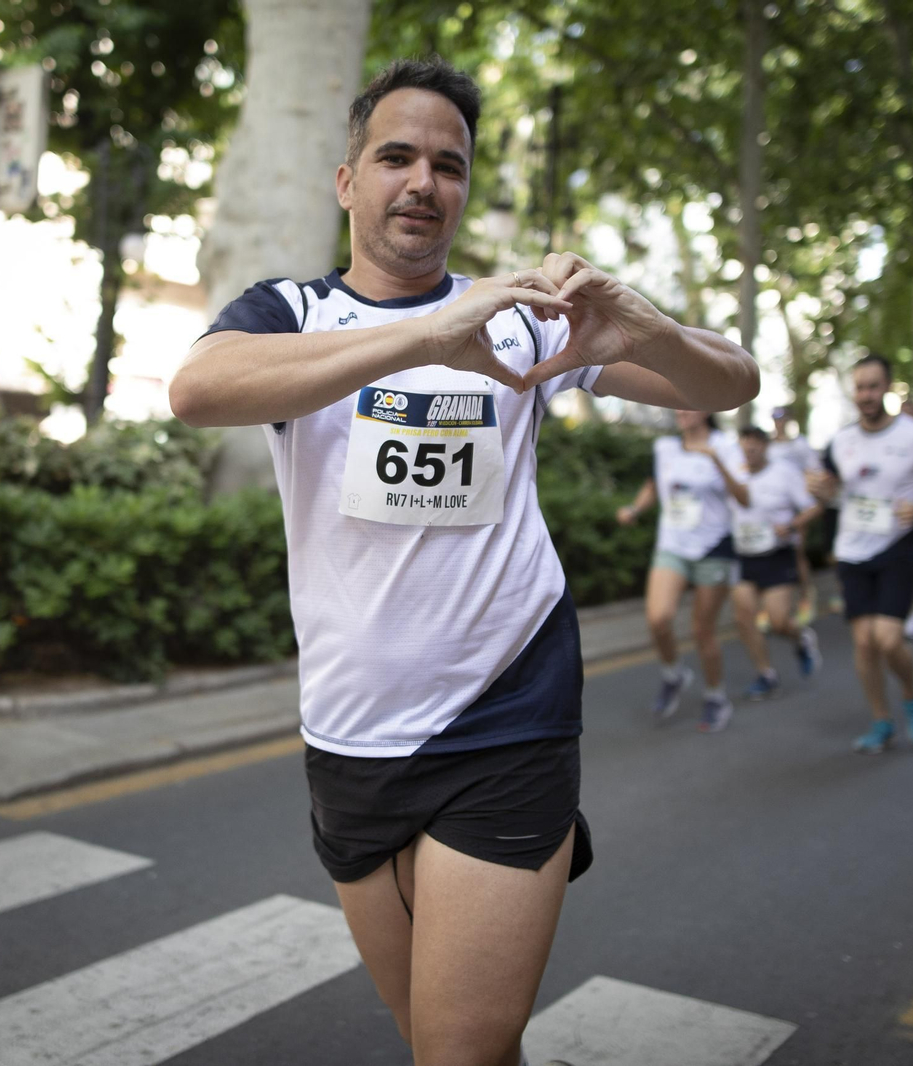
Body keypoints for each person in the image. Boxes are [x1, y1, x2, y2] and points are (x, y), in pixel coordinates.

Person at [169, 57, 758, 1066]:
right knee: (439, 1042)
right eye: (395, 156)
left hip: (504, 713)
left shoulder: (519, 316)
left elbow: (734, 380)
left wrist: (648, 326)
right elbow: (198, 388)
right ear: (347, 180)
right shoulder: (291, 316)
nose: (422, 182)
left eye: (449, 164)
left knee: (459, 1054)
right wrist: (420, 338)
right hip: (349, 729)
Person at [808, 354, 913, 753]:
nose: (866, 395)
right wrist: (819, 489)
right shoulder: (842, 441)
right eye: (859, 387)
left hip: (896, 545)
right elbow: (828, 488)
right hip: (853, 549)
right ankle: (881, 721)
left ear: (888, 388)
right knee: (864, 644)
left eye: (873, 386)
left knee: (888, 639)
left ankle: (911, 695)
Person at [620, 412, 750, 731]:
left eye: (686, 405)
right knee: (658, 618)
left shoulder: (726, 446)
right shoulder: (665, 447)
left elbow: (745, 498)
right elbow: (653, 485)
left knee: (702, 631)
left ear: (705, 409)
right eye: (675, 406)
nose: (679, 412)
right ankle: (674, 674)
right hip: (673, 544)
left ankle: (716, 696)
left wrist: (716, 460)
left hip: (713, 547)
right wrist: (635, 508)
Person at [728, 425, 824, 698]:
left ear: (766, 446)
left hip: (776, 555)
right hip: (744, 555)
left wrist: (792, 525)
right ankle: (765, 673)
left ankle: (801, 638)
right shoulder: (734, 473)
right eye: (745, 444)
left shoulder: (784, 473)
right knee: (744, 619)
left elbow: (814, 506)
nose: (750, 449)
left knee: (778, 621)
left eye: (756, 444)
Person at [769, 406, 822, 615]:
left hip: (796, 506)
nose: (778, 422)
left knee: (797, 552)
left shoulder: (799, 445)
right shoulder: (768, 446)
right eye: (775, 419)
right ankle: (776, 602)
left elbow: (814, 472)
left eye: (781, 418)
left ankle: (806, 596)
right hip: (774, 506)